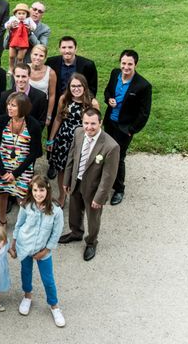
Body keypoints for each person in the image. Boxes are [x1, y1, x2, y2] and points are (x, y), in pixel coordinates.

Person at [59, 108, 121, 261]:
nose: (89, 127)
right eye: (86, 123)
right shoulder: (78, 133)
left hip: (94, 188)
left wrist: (100, 198)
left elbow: (108, 177)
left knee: (93, 218)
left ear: (100, 123)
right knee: (74, 210)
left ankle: (92, 242)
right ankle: (76, 232)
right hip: (76, 181)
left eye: (93, 124)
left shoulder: (111, 146)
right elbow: (71, 158)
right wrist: (67, 180)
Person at [10, 175, 65, 328]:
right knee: (26, 272)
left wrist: (46, 250)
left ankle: (54, 306)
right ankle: (27, 296)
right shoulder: (26, 205)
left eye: (41, 190)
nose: (38, 194)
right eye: (35, 190)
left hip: (43, 249)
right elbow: (19, 225)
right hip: (25, 245)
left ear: (47, 190)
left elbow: (56, 233)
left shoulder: (56, 211)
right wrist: (13, 243)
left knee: (48, 280)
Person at [103, 49, 152, 205]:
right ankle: (105, 182)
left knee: (118, 157)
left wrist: (131, 130)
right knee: (105, 153)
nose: (126, 67)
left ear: (135, 65)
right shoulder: (114, 73)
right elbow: (107, 91)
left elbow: (144, 113)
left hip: (124, 129)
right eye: (123, 63)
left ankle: (119, 188)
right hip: (110, 122)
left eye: (129, 64)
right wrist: (109, 99)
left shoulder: (143, 85)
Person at [0, 92, 43, 227]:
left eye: (13, 105)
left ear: (23, 107)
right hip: (2, 166)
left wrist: (15, 173)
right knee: (2, 194)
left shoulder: (34, 125)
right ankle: (3, 221)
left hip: (22, 168)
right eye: (9, 104)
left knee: (23, 197)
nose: (9, 107)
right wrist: (3, 172)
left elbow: (34, 153)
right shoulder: (1, 121)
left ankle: (23, 224)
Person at [47, 73, 99, 207]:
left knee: (80, 170)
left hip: (83, 141)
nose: (76, 89)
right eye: (73, 86)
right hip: (64, 140)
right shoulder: (64, 99)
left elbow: (97, 125)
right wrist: (51, 139)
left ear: (84, 87)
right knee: (62, 169)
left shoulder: (92, 103)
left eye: (79, 86)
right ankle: (62, 196)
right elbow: (58, 118)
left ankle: (78, 197)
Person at [28, 44, 57, 127]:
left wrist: (48, 116)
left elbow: (52, 95)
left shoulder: (51, 73)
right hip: (25, 104)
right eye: (35, 54)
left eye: (41, 56)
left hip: (40, 108)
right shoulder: (24, 68)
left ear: (45, 58)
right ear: (31, 55)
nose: (37, 58)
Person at [4, 4, 36, 75]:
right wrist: (10, 25)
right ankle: (11, 68)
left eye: (23, 14)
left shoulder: (29, 20)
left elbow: (34, 27)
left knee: (20, 58)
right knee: (11, 56)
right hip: (14, 40)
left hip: (23, 41)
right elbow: (6, 25)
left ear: (27, 14)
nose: (21, 15)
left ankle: (19, 69)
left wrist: (31, 28)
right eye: (19, 13)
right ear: (15, 14)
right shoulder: (13, 19)